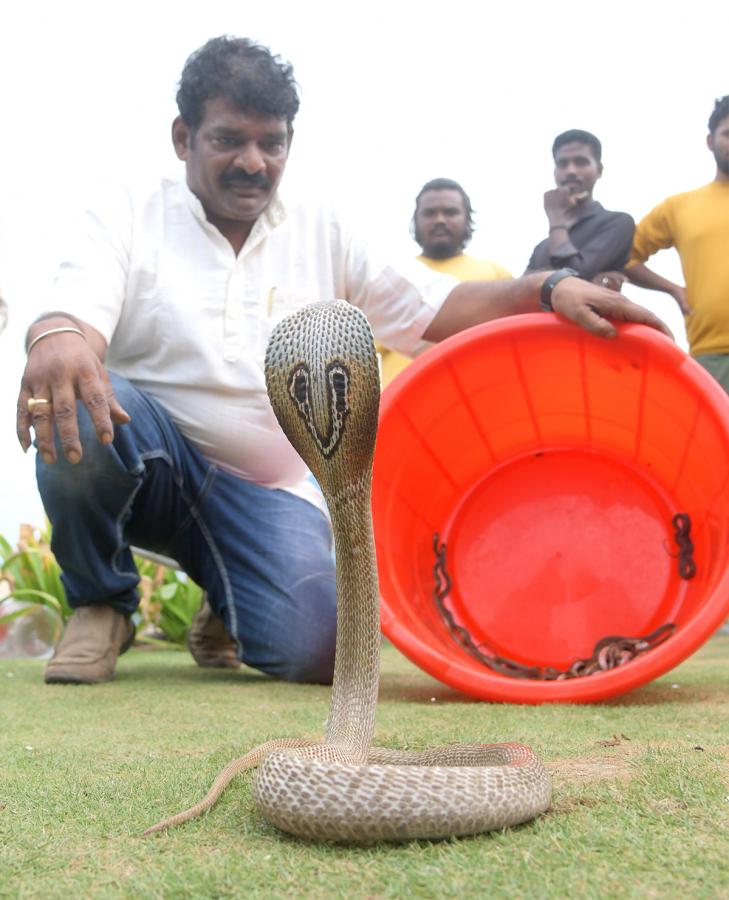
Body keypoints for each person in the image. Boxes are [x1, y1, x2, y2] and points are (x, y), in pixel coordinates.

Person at [16, 36, 670, 687]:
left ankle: (229, 594)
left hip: (270, 495)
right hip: (154, 462)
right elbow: (73, 312)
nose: (253, 162)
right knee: (69, 386)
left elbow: (431, 310)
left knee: (323, 650)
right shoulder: (128, 212)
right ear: (184, 136)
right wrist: (56, 335)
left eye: (271, 143)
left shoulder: (322, 225)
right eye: (228, 140)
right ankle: (102, 601)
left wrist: (544, 289)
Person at [625, 96, 729, 391]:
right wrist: (673, 289)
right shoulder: (679, 207)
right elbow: (624, 256)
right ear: (710, 141)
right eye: (728, 133)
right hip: (713, 355)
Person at [379, 178, 511, 385]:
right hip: (399, 408)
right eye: (430, 213)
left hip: (477, 405)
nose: (440, 220)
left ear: (467, 219)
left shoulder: (496, 276)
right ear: (416, 219)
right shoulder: (389, 276)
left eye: (450, 212)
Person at [525, 130, 634, 292]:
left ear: (599, 170)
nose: (571, 171)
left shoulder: (617, 223)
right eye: (562, 164)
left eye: (581, 162)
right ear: (555, 172)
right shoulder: (543, 247)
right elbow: (521, 293)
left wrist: (556, 218)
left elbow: (568, 280)